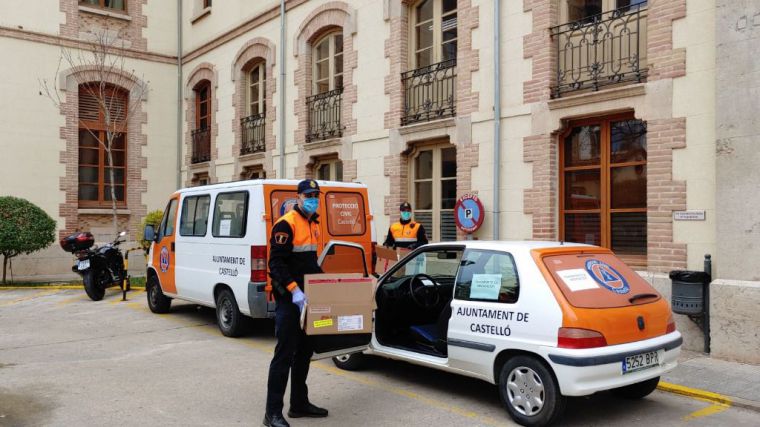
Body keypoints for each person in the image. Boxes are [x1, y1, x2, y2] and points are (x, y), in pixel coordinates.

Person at [264, 179, 328, 427]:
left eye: (316, 195)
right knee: (284, 355)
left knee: (304, 353)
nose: (313, 198)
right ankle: (272, 414)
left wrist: (325, 284)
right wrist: (294, 291)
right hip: (290, 301)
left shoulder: (314, 223)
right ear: (299, 197)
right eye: (309, 195)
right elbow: (276, 264)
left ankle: (299, 404)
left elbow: (310, 263)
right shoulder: (286, 224)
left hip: (308, 299)